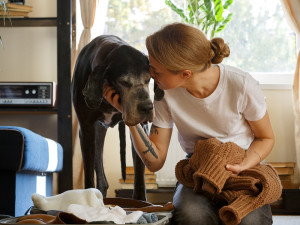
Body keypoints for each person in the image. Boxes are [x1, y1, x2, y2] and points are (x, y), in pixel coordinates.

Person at [103, 23, 275, 225]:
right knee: (191, 215)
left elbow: (266, 137)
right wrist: (129, 117)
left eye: (156, 71)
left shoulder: (241, 84)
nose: (151, 75)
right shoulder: (164, 93)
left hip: (242, 165)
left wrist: (243, 164)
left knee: (250, 220)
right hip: (197, 169)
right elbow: (155, 162)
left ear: (185, 74)